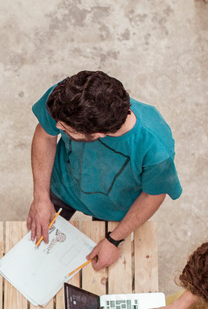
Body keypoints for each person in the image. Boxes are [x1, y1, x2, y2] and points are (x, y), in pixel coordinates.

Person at [27, 70, 182, 270]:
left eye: (65, 128)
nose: (57, 126)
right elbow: (46, 134)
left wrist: (114, 240)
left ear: (99, 134)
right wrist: (40, 197)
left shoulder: (156, 148)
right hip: (62, 185)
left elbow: (153, 195)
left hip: (112, 207)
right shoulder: (67, 98)